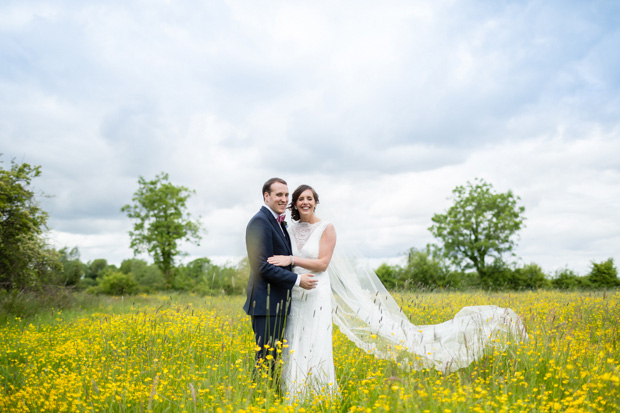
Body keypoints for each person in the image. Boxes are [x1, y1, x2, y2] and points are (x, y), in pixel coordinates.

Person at [268, 184, 528, 401]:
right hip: (298, 294)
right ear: (294, 203)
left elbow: (323, 263)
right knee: (296, 339)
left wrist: (290, 258)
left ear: (316, 203)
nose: (305, 202)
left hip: (319, 293)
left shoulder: (327, 228)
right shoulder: (289, 230)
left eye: (309, 199)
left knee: (316, 341)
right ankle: (294, 394)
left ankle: (322, 394)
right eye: (300, 199)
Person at [243, 178, 318, 381]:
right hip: (266, 303)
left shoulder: (277, 222)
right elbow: (261, 266)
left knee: (272, 358)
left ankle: (268, 398)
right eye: (279, 195)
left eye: (286, 195)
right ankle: (258, 401)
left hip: (276, 302)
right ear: (266, 196)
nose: (284, 199)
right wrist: (297, 280)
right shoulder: (260, 222)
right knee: (266, 360)